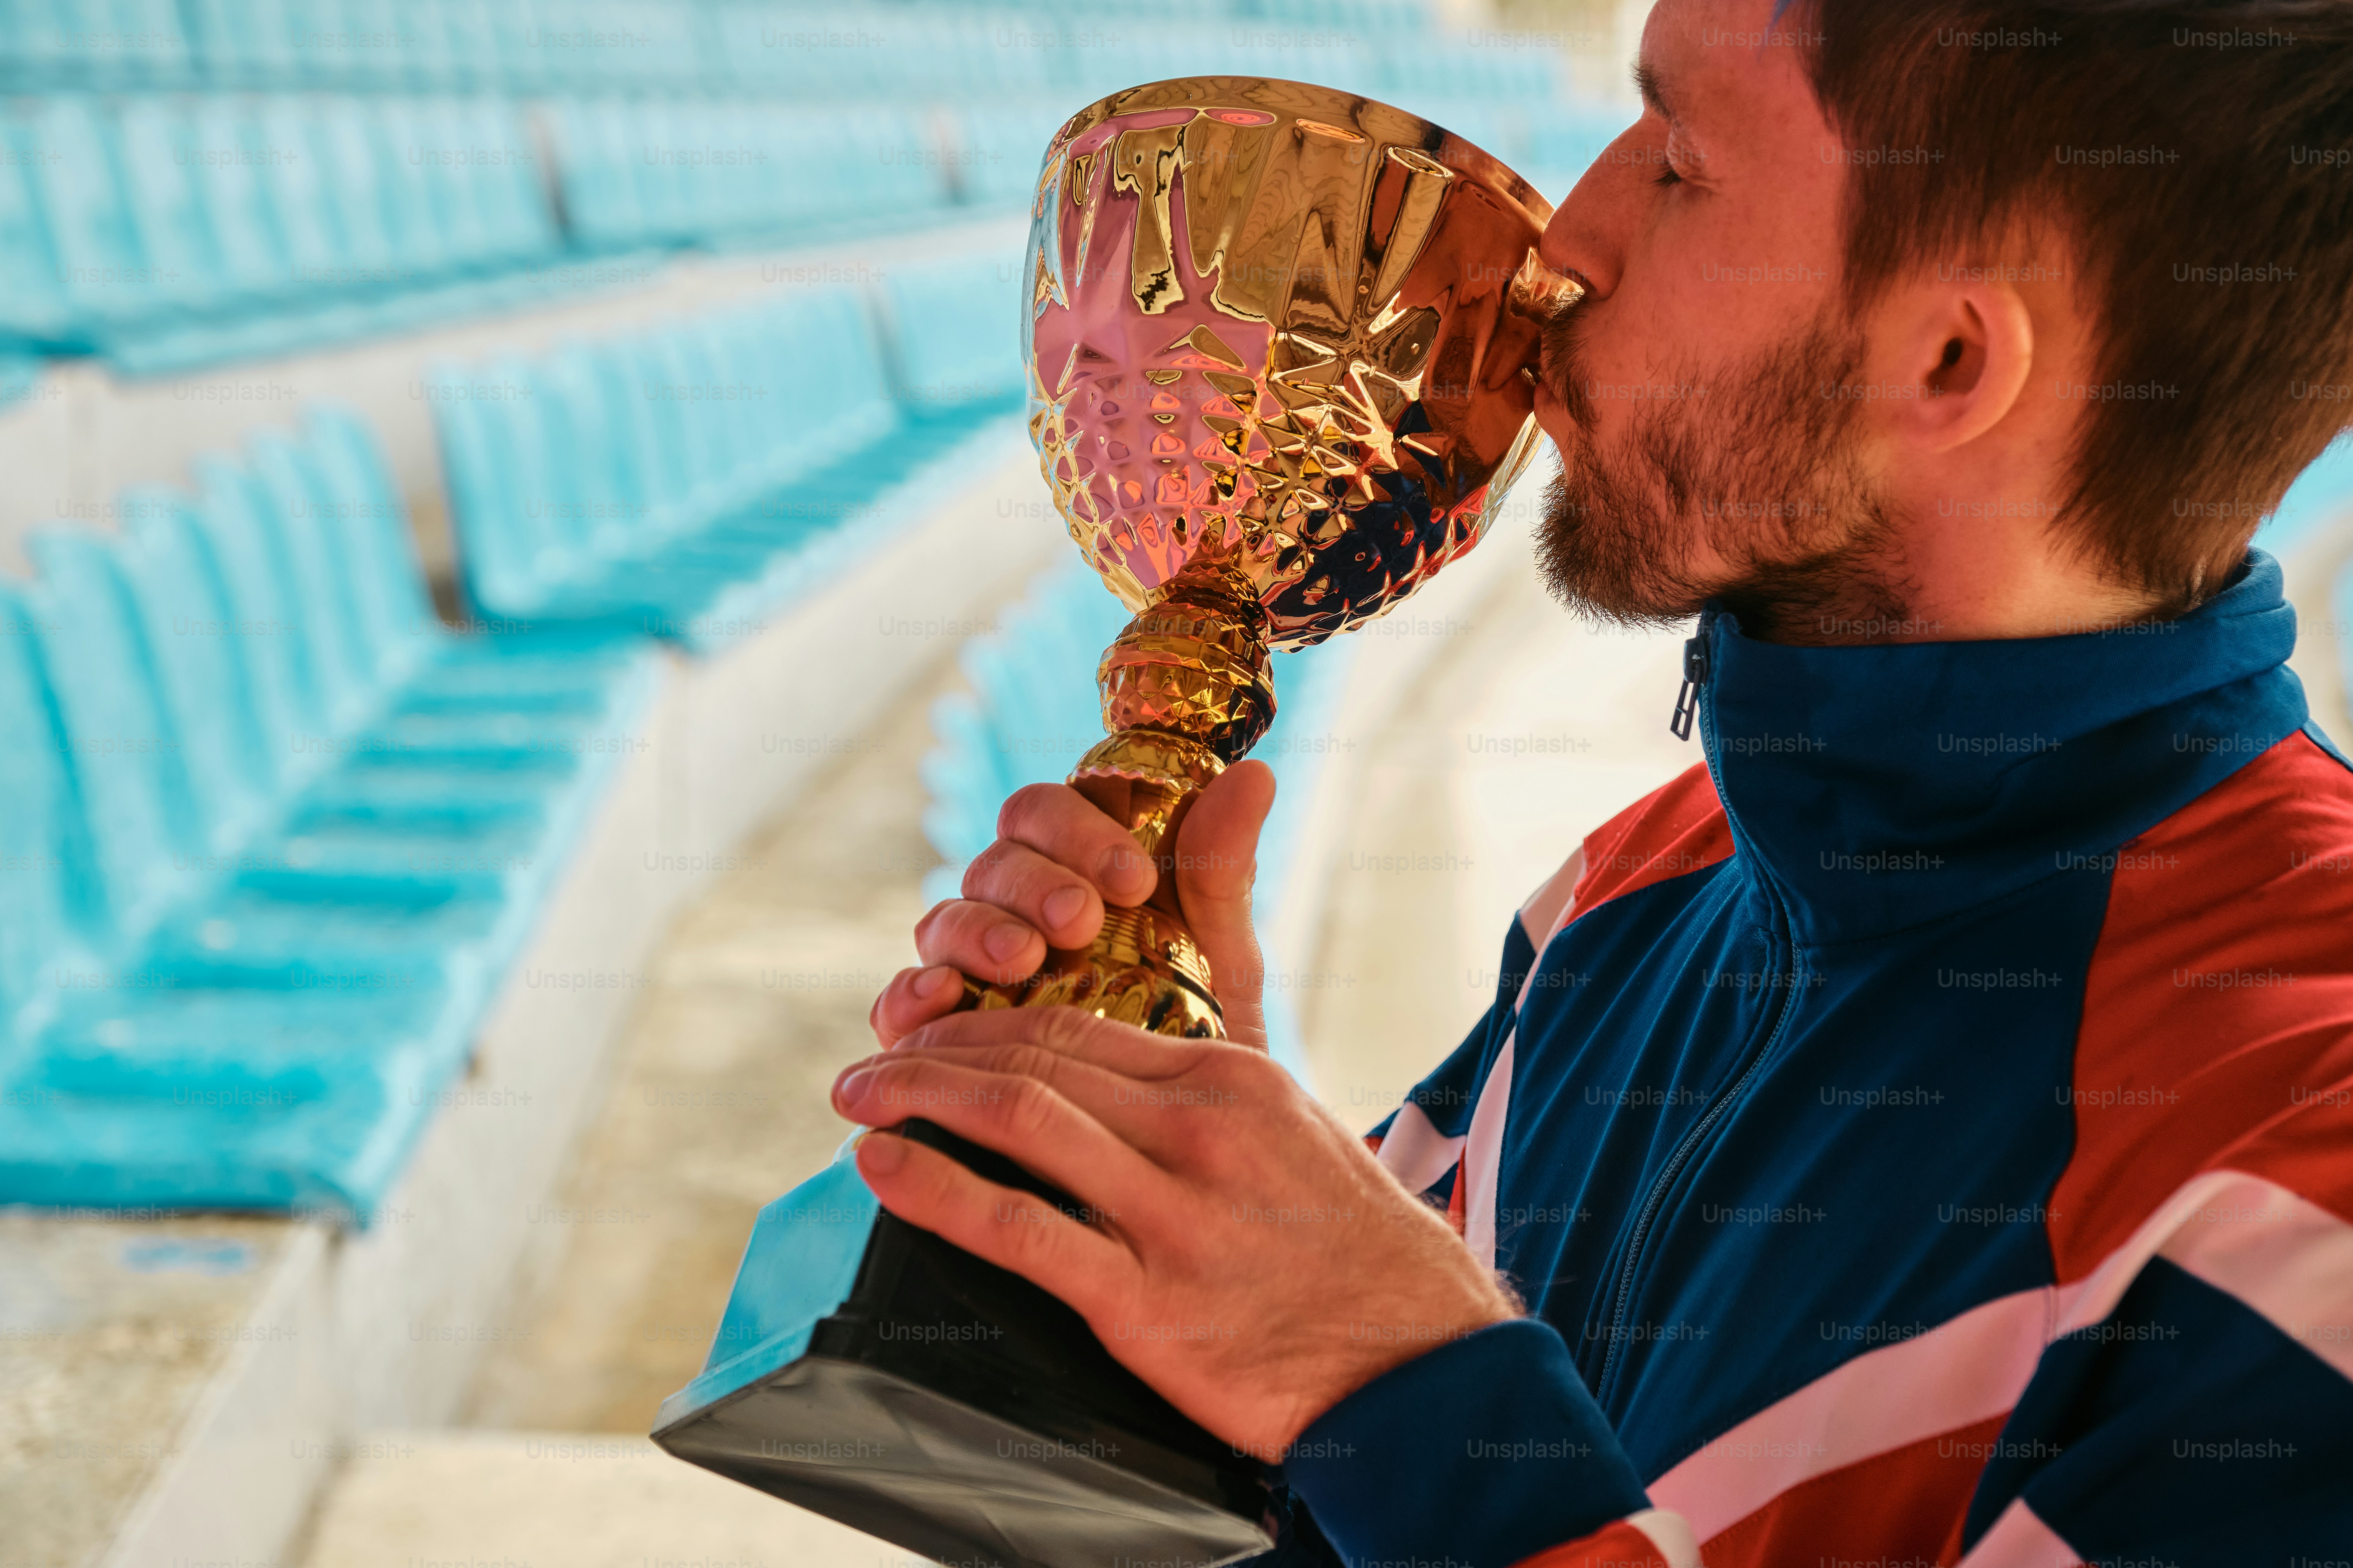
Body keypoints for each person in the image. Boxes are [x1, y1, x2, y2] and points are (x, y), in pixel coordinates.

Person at [841, 1, 2353, 1562]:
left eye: (1681, 164)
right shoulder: (1629, 890)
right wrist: (1170, 1243)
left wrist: (1407, 1394)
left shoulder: (2305, 1171)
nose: (1563, 242)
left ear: (1949, 359)